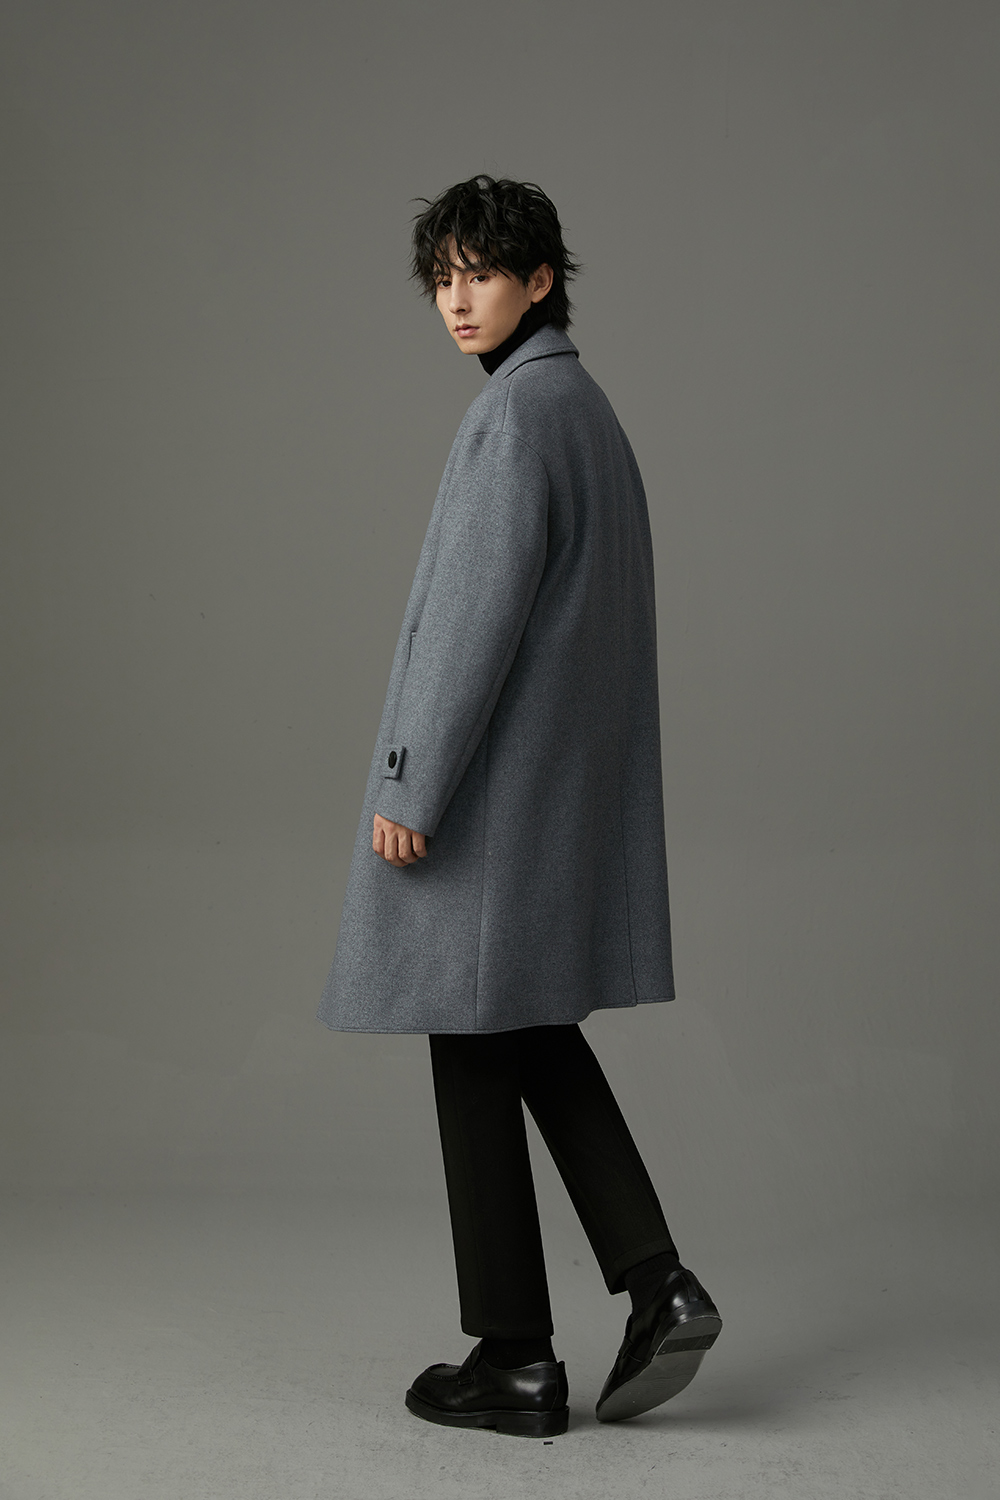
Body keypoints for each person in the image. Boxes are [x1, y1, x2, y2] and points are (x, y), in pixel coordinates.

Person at [318, 174, 721, 1438]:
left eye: (480, 274)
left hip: (491, 794)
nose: (457, 301)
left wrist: (411, 780)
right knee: (519, 1031)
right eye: (442, 278)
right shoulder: (584, 410)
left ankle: (516, 1354)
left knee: (476, 1030)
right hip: (553, 791)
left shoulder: (512, 416)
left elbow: (470, 621)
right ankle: (649, 1287)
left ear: (540, 280)